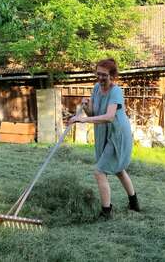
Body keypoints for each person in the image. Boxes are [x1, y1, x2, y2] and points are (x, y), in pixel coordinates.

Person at [69, 58, 140, 219]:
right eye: (98, 74)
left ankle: (106, 212)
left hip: (117, 133)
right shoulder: (96, 88)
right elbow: (94, 114)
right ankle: (134, 203)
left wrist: (82, 120)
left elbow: (108, 117)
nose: (100, 78)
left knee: (99, 171)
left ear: (112, 76)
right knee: (118, 169)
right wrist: (86, 106)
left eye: (104, 75)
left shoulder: (116, 91)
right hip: (104, 132)